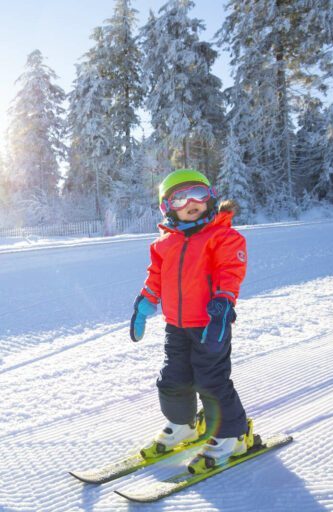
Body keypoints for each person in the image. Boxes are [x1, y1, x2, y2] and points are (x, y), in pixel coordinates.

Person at [129, 168, 253, 474]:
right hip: (176, 326)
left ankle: (233, 435)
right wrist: (145, 303)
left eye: (199, 194)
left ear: (209, 198)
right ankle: (184, 425)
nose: (191, 202)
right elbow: (155, 277)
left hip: (211, 325)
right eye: (180, 197)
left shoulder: (222, 236)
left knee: (211, 381)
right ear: (167, 207)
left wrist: (223, 304)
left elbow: (229, 272)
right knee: (173, 379)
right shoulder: (164, 244)